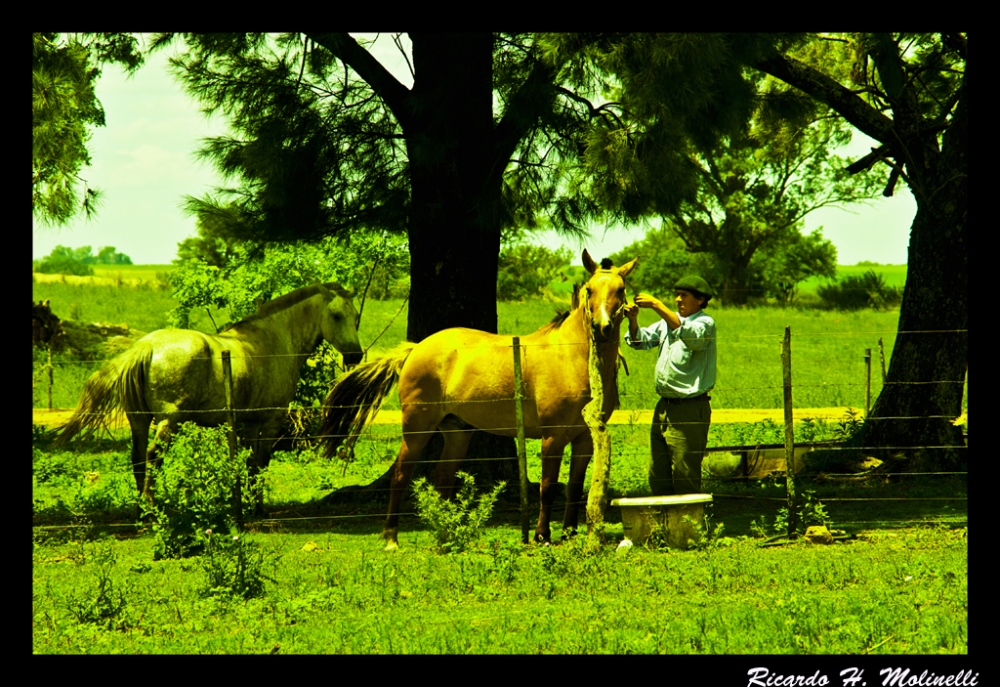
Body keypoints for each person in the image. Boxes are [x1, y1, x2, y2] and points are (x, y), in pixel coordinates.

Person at [623, 275, 716, 496]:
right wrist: (633, 320)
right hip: (663, 408)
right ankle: (663, 526)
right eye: (676, 295)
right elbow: (640, 341)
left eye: (684, 296)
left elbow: (691, 337)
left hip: (690, 408)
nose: (677, 300)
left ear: (700, 300)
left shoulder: (705, 323)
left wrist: (656, 304)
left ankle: (688, 527)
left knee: (685, 474)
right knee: (658, 473)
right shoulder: (667, 322)